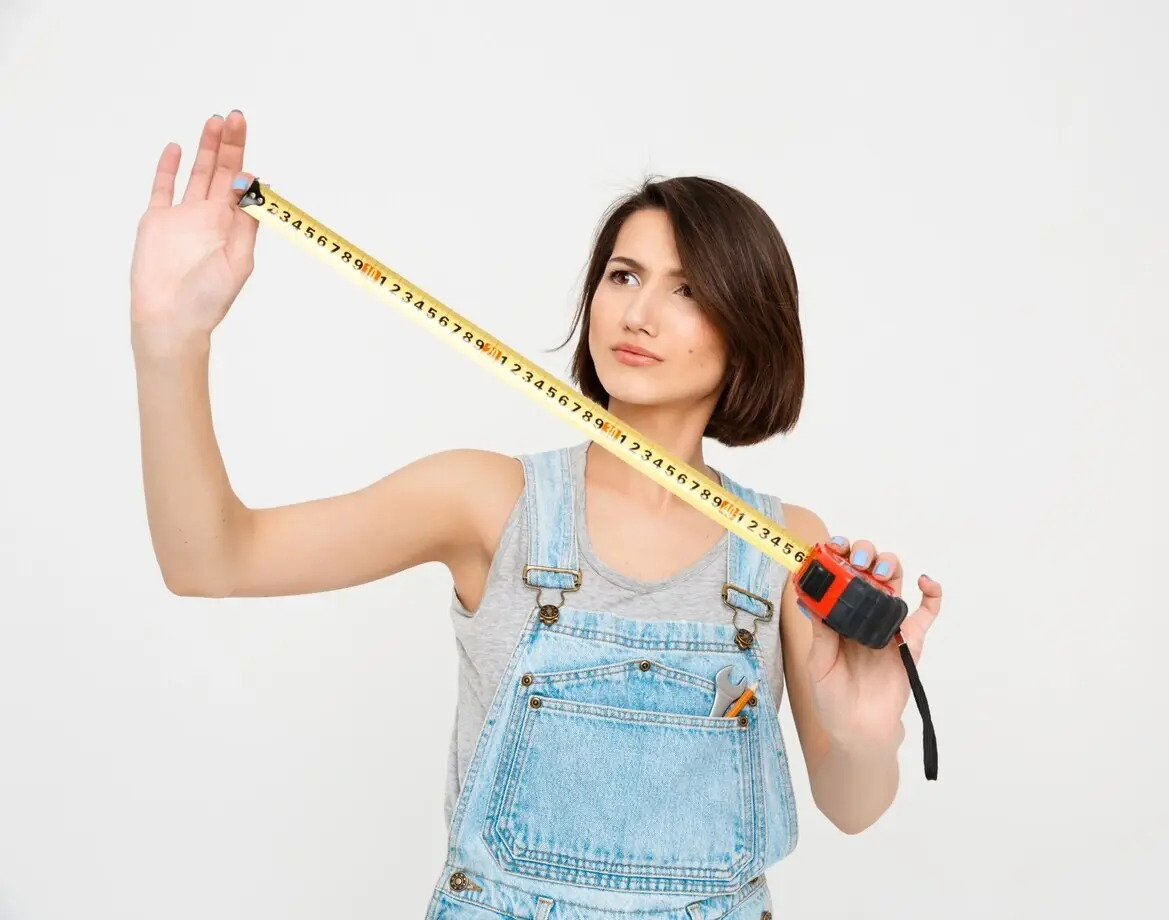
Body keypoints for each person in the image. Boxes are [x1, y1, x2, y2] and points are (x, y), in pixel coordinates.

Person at [130, 110, 944, 920]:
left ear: (748, 328)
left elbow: (852, 807)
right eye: (623, 276)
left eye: (687, 289)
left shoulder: (785, 545)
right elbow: (212, 559)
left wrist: (865, 735)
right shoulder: (487, 502)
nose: (638, 313)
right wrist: (170, 340)